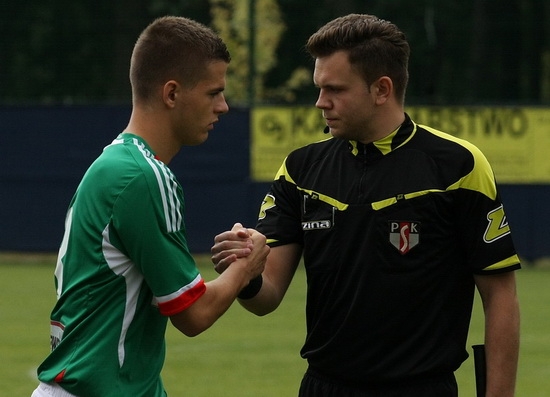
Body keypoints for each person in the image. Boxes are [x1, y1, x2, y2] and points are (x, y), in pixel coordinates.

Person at [211, 13, 520, 397]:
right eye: (319, 87)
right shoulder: (299, 170)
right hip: (324, 387)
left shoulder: (459, 166)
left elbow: (500, 294)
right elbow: (267, 295)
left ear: (381, 89)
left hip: (423, 389)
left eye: (335, 89)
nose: (320, 102)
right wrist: (246, 272)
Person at [31, 16, 269, 397]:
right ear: (172, 94)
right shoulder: (144, 177)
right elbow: (193, 314)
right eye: (213, 92)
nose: (224, 107)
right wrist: (246, 265)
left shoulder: (113, 163)